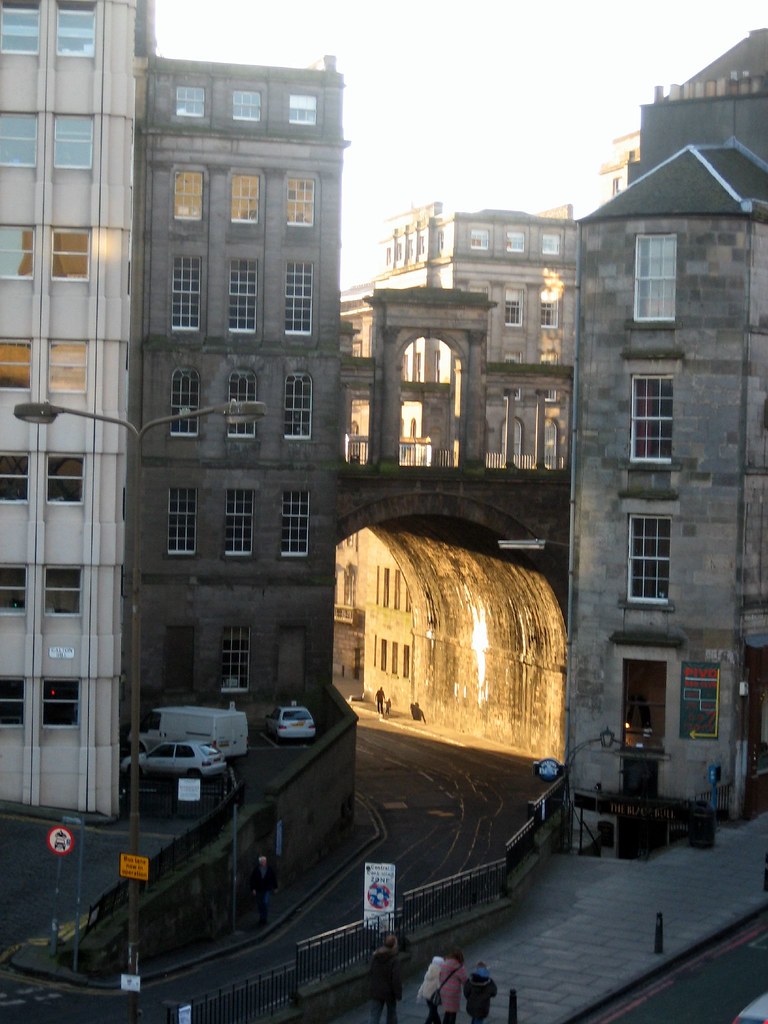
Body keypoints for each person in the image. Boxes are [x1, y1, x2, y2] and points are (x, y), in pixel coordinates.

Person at [368, 932, 402, 1024]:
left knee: (374, 1015)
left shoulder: (375, 956)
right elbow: (396, 979)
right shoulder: (394, 960)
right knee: (391, 1014)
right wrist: (398, 994)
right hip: (389, 992)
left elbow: (370, 971)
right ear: (394, 945)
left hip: (376, 990)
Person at [438, 947, 467, 1024]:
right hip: (453, 993)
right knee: (453, 1013)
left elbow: (440, 976)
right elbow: (464, 980)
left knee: (447, 1012)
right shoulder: (459, 967)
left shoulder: (444, 963)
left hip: (443, 990)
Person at [249, 854, 278, 926]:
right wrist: (253, 889)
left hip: (266, 889)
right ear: (260, 862)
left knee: (265, 903)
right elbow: (252, 880)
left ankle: (264, 918)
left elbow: (273, 878)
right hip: (259, 889)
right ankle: (261, 918)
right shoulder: (256, 870)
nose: (264, 862)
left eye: (265, 861)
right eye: (262, 861)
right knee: (260, 905)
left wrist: (275, 887)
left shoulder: (269, 869)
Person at [416, 955, 444, 1024]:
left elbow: (424, 984)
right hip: (434, 996)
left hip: (426, 995)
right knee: (432, 1013)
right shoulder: (439, 973)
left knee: (433, 1012)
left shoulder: (429, 971)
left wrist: (419, 994)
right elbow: (439, 986)